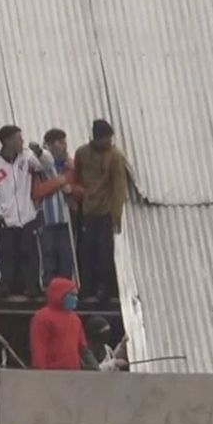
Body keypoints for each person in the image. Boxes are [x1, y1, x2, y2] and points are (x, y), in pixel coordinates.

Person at [0, 125, 43, 298]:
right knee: (7, 254)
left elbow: (45, 166)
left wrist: (40, 152)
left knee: (30, 253)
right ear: (7, 141)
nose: (22, 141)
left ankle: (32, 287)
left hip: (28, 216)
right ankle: (6, 286)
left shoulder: (27, 157)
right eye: (18, 138)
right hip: (6, 219)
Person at [73, 119, 128, 300]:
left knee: (105, 252)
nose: (109, 141)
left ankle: (105, 288)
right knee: (86, 250)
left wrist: (116, 215)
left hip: (105, 212)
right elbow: (77, 177)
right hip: (87, 210)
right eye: (106, 138)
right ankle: (87, 286)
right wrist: (79, 197)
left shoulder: (114, 156)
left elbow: (119, 187)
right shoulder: (82, 153)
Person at [31, 128, 83, 287]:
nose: (64, 145)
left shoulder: (72, 166)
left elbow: (83, 189)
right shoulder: (39, 168)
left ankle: (66, 287)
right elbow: (36, 192)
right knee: (48, 254)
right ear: (49, 145)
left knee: (66, 255)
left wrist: (71, 189)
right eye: (59, 142)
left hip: (66, 217)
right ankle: (49, 287)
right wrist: (57, 182)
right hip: (46, 217)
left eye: (64, 142)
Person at [29, 277, 99, 370]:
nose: (76, 299)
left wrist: (95, 367)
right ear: (60, 295)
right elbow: (39, 349)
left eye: (76, 295)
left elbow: (83, 348)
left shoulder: (75, 318)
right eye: (72, 295)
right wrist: (41, 373)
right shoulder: (42, 317)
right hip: (52, 373)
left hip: (73, 373)